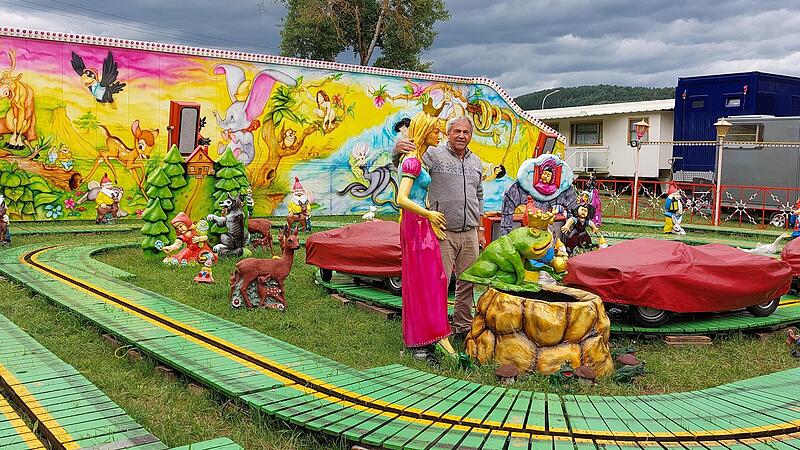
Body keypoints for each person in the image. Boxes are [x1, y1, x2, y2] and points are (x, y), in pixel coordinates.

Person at [395, 114, 485, 341]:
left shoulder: (476, 162)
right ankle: (437, 329)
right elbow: (406, 161)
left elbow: (479, 194)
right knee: (438, 283)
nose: (462, 136)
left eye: (466, 132)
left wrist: (481, 228)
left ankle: (462, 325)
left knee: (468, 281)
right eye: (457, 131)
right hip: (442, 231)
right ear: (448, 133)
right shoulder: (433, 154)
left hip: (470, 232)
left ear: (471, 135)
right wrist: (397, 149)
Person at [395, 112, 456, 364]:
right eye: (435, 131)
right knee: (426, 281)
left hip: (421, 225)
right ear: (424, 131)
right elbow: (401, 199)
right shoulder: (412, 162)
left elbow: (420, 194)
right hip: (416, 224)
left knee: (433, 279)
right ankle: (426, 337)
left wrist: (431, 218)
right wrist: (428, 214)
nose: (439, 135)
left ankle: (433, 333)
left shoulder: (417, 160)